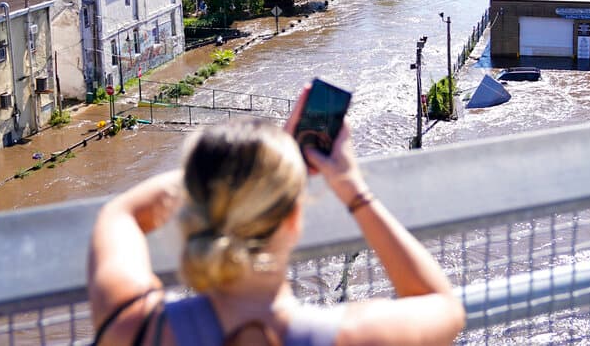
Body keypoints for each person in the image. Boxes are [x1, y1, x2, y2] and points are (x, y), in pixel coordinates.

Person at [87, 86, 465, 346]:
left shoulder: (135, 329)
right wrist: (350, 187)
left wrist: (235, 170)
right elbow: (443, 304)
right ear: (294, 220)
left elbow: (121, 214)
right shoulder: (351, 336)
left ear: (192, 211)